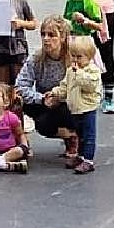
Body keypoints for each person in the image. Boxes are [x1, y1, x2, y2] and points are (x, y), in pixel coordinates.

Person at [16, 15, 79, 158]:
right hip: (45, 101)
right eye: (43, 34)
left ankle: (72, 136)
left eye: (51, 35)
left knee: (65, 111)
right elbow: (20, 86)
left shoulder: (74, 57)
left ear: (62, 37)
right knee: (15, 100)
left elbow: (87, 86)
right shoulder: (37, 58)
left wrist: (60, 97)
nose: (46, 39)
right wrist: (41, 98)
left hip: (69, 103)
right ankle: (22, 142)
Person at [48, 35, 102, 174]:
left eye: (79, 57)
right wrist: (55, 93)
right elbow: (65, 86)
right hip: (75, 108)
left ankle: (88, 160)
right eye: (73, 56)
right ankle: (80, 156)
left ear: (89, 57)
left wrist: (79, 73)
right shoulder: (70, 71)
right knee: (80, 134)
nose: (75, 60)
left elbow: (89, 84)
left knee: (89, 135)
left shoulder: (93, 71)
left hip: (87, 108)